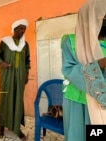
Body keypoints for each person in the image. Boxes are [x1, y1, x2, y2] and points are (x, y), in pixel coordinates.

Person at [61, 0, 106, 140]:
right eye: (103, 17)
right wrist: (102, 63)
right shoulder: (70, 41)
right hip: (78, 101)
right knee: (78, 136)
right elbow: (68, 70)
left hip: (102, 103)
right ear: (89, 19)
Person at [0, 19, 30, 139]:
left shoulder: (25, 44)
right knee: (5, 100)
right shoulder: (5, 42)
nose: (23, 30)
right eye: (20, 28)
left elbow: (27, 61)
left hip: (19, 77)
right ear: (14, 29)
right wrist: (2, 63)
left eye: (24, 28)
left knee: (18, 100)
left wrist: (26, 75)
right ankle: (2, 126)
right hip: (7, 75)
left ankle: (16, 128)